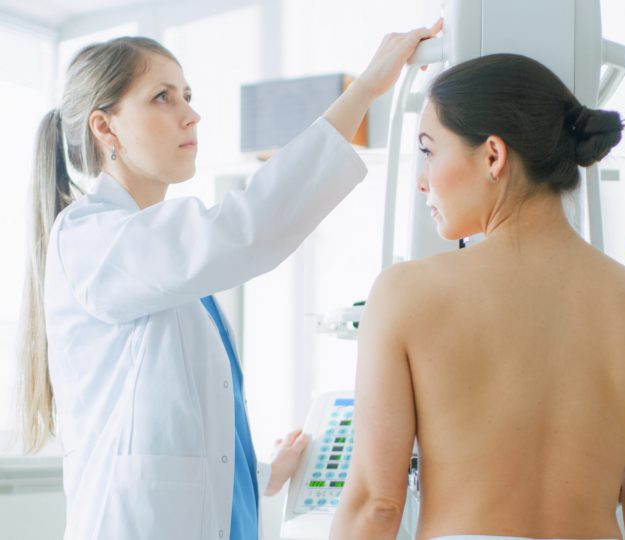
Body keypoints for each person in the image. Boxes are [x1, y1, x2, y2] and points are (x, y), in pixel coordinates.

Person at [18, 20, 443, 540]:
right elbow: (246, 230)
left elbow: (177, 435)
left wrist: (264, 473)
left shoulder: (164, 260)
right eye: (162, 98)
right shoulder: (91, 239)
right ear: (105, 128)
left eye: (188, 95)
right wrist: (365, 89)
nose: (191, 114)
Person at [331, 53, 625, 540]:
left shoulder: (405, 295)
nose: (422, 179)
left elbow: (376, 505)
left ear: (493, 156)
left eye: (429, 150)